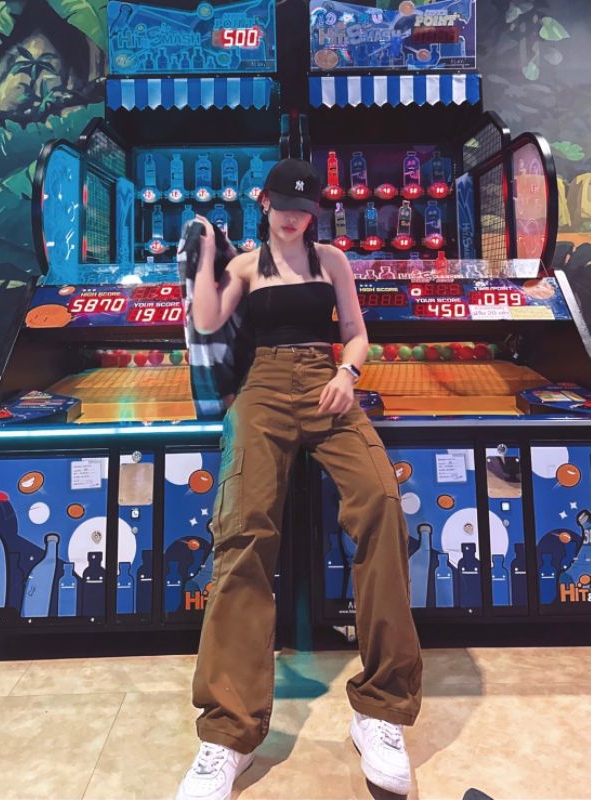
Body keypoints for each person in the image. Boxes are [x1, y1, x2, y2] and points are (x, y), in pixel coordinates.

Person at [175, 159, 423, 800]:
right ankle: (228, 732)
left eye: (306, 209)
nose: (294, 217)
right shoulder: (244, 267)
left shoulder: (332, 261)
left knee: (381, 504)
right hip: (261, 388)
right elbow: (207, 321)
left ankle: (382, 710)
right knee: (243, 531)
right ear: (264, 201)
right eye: (285, 205)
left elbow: (356, 334)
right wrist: (205, 255)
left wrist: (348, 374)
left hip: (326, 384)